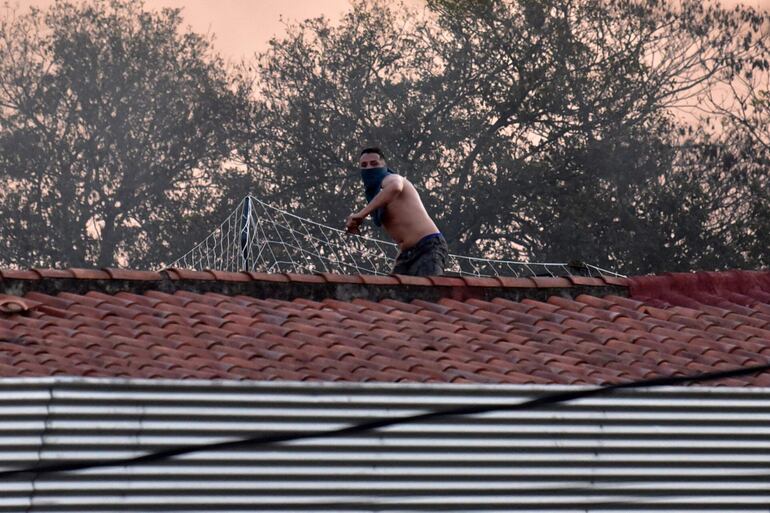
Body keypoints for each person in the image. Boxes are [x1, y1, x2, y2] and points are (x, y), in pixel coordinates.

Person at [345, 147, 448, 276]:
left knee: (429, 292)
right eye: (364, 165)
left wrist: (361, 214)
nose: (369, 168)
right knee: (396, 292)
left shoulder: (390, 178)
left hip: (428, 246)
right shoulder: (378, 194)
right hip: (406, 254)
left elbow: (396, 187)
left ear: (384, 165)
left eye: (374, 163)